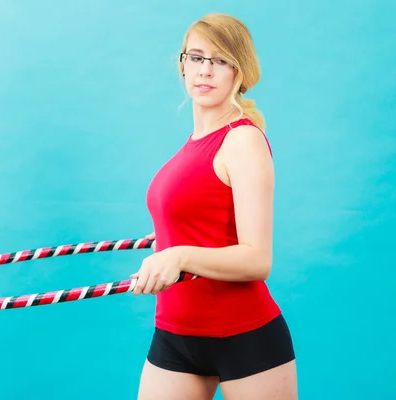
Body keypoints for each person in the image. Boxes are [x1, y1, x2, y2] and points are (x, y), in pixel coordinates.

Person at [130, 13, 298, 400]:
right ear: (182, 65)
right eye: (196, 57)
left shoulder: (242, 141)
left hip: (245, 336)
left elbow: (257, 261)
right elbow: (204, 220)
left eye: (220, 60)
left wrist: (180, 254)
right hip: (175, 335)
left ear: (239, 71)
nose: (205, 71)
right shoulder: (190, 147)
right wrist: (170, 241)